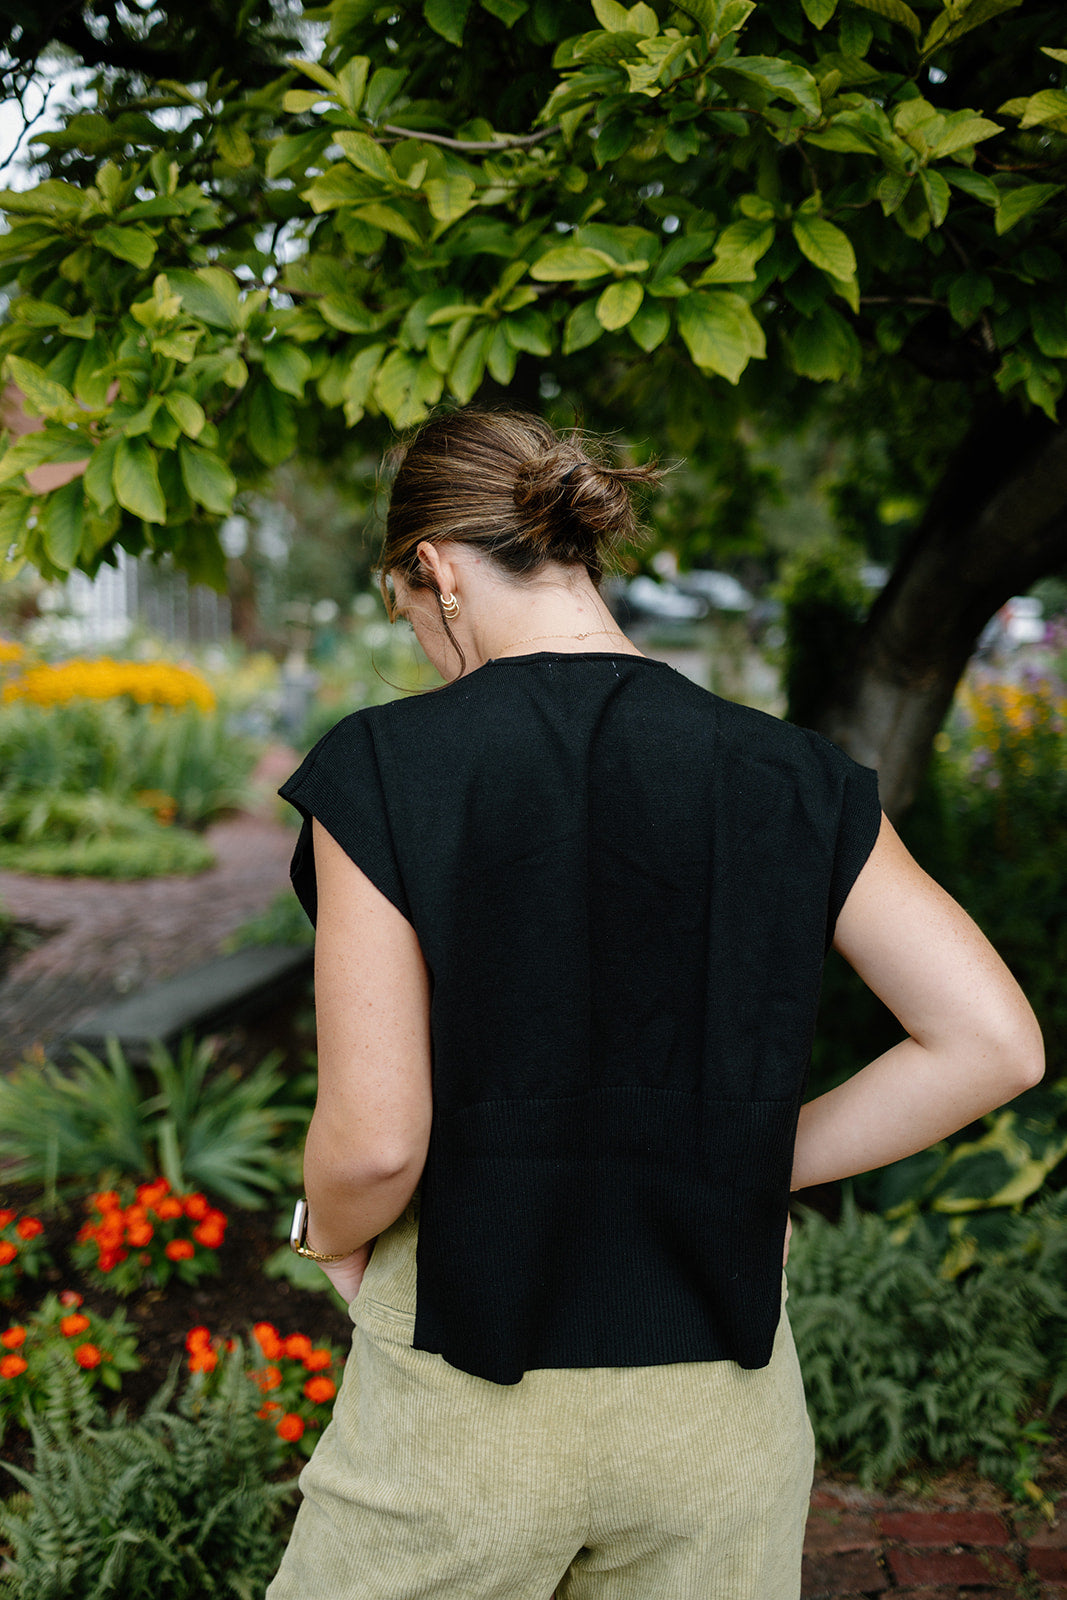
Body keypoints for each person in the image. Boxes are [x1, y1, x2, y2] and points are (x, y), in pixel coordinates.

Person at [267, 408, 1043, 1600]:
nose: (419, 643)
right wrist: (745, 1154)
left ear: (431, 570)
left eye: (407, 613)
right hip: (717, 1427)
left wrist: (320, 1235)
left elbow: (375, 1139)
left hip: (468, 1397)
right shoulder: (787, 772)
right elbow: (990, 1043)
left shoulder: (382, 768)